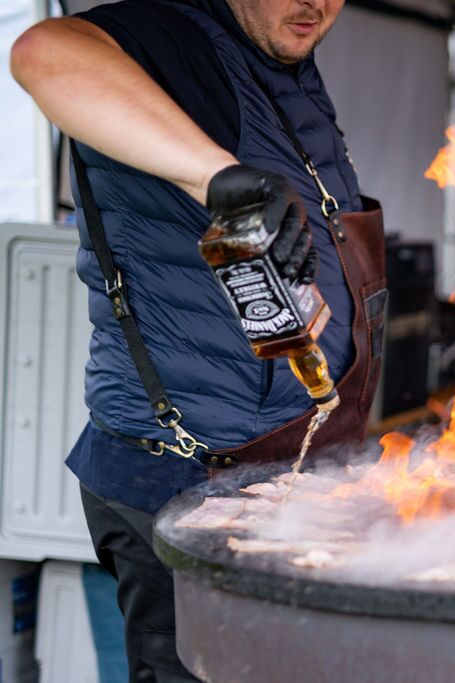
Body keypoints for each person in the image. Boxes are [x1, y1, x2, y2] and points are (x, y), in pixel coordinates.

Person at [10, 1, 386, 680]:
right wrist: (219, 178)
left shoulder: (283, 62)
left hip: (285, 477)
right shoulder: (177, 40)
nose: (316, 2)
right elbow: (44, 52)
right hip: (188, 483)